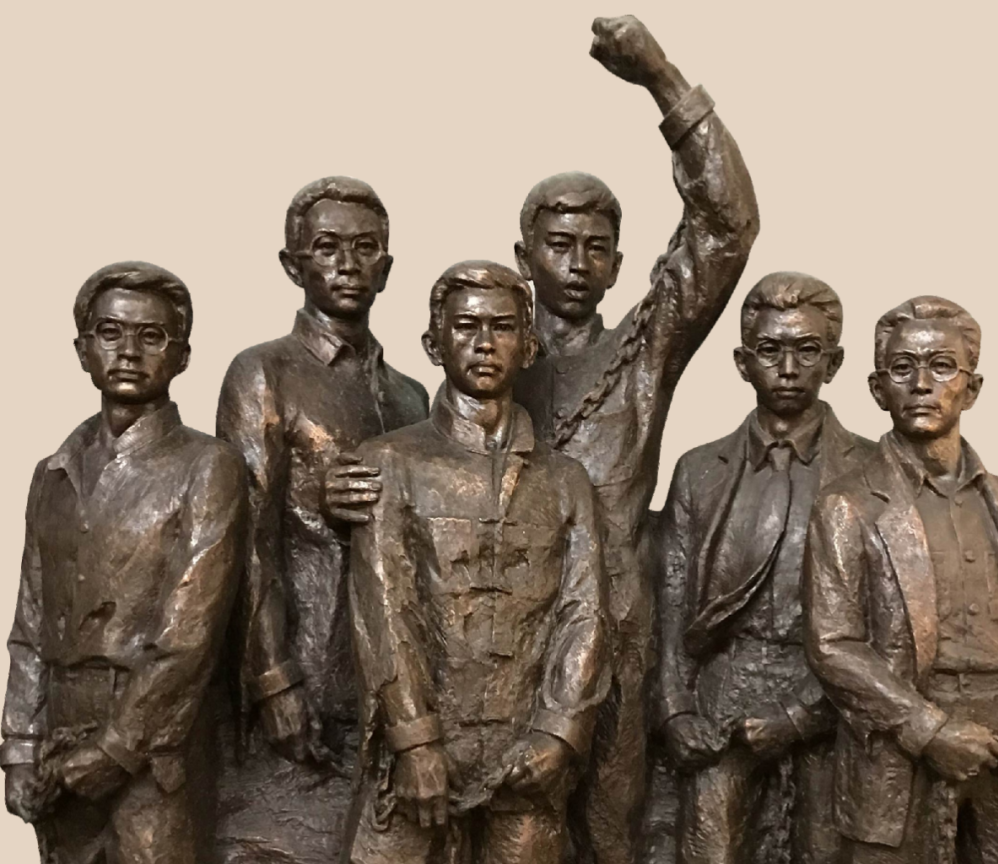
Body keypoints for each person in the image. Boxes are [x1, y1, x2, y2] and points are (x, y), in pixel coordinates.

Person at [512, 15, 759, 864]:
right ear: (523, 255)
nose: (578, 263)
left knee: (612, 834)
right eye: (558, 245)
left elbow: (726, 229)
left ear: (620, 265)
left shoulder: (641, 352)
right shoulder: (482, 362)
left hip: (617, 632)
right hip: (497, 635)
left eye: (597, 248)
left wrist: (662, 78)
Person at [343, 261, 608, 864]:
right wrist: (414, 742)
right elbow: (384, 612)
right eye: (466, 326)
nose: (485, 343)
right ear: (433, 344)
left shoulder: (565, 481)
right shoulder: (389, 463)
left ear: (529, 346)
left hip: (526, 759)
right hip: (418, 759)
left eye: (503, 327)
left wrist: (559, 732)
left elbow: (585, 614)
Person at [805, 296, 998, 863]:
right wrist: (929, 730)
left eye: (942, 366)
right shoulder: (847, 504)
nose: (922, 384)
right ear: (878, 390)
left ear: (972, 389)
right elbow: (833, 646)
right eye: (902, 368)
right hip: (901, 750)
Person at [2, 262, 245, 863]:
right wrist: (20, 748)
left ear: (182, 355)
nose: (129, 352)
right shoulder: (52, 473)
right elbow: (30, 626)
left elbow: (189, 638)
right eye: (110, 333)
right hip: (59, 738)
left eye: (152, 336)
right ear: (82, 350)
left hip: (155, 745)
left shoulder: (207, 466)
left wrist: (116, 747)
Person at [215, 177, 428, 862]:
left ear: (386, 268)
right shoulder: (262, 374)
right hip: (303, 662)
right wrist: (272, 677)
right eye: (328, 247)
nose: (347, 264)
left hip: (385, 679)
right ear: (293, 264)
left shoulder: (411, 396)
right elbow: (244, 537)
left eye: (365, 249)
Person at [651, 273, 874, 864]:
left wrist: (799, 718)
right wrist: (675, 710)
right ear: (742, 362)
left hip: (831, 699)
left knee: (826, 851)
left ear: (835, 362)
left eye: (808, 350)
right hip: (723, 695)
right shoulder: (699, 471)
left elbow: (890, 621)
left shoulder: (874, 470)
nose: (789, 368)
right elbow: (670, 604)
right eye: (770, 350)